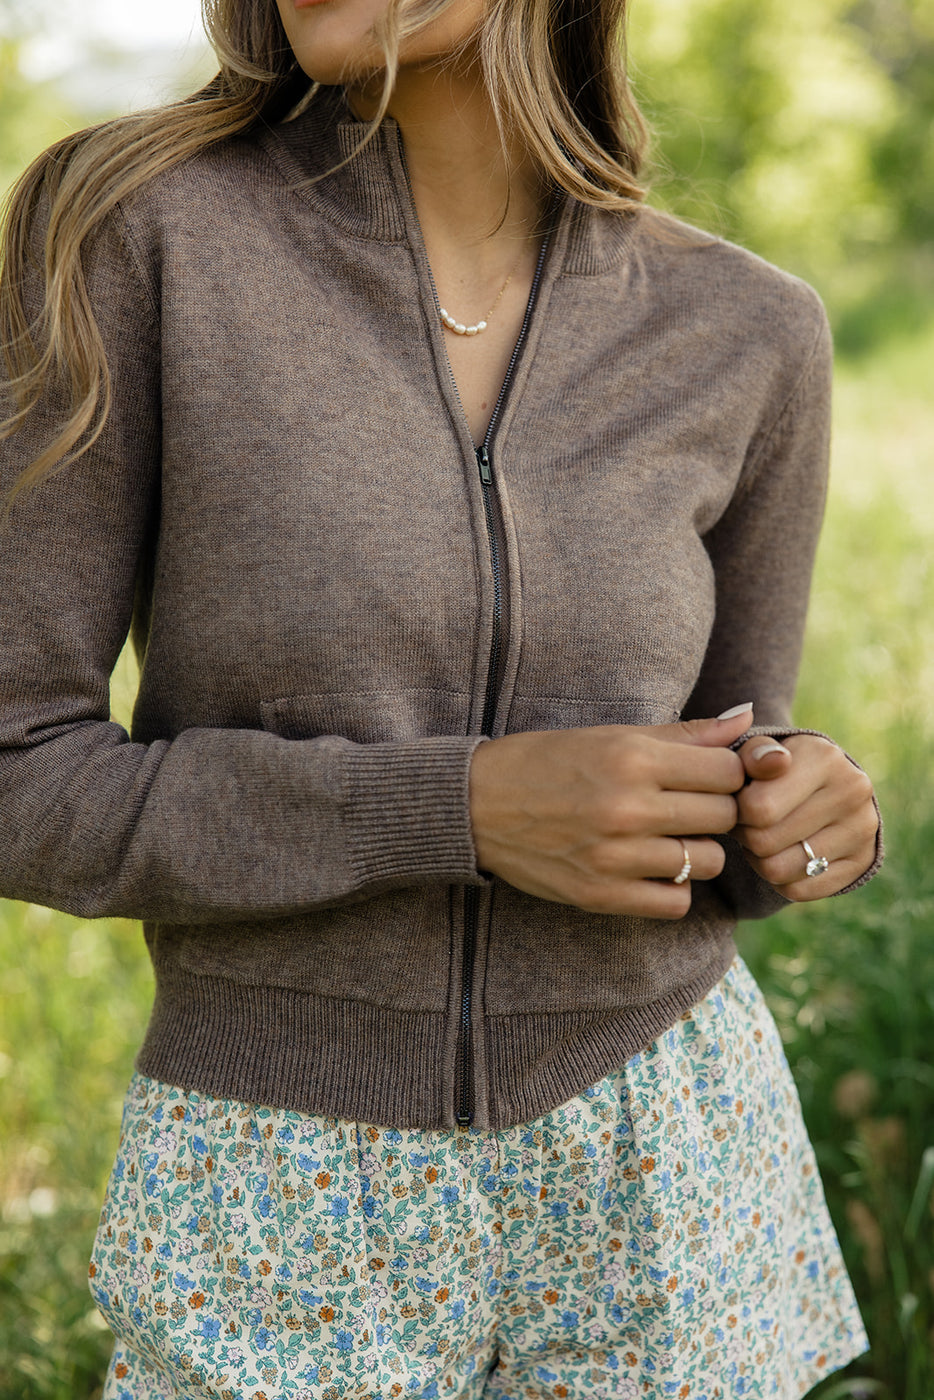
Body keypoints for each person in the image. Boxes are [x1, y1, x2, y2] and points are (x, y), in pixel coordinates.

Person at [0, 0, 882, 1395]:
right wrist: (448, 811)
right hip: (278, 1166)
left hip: (659, 1153)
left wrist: (800, 805)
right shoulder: (134, 234)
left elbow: (729, 754)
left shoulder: (747, 328)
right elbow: (16, 772)